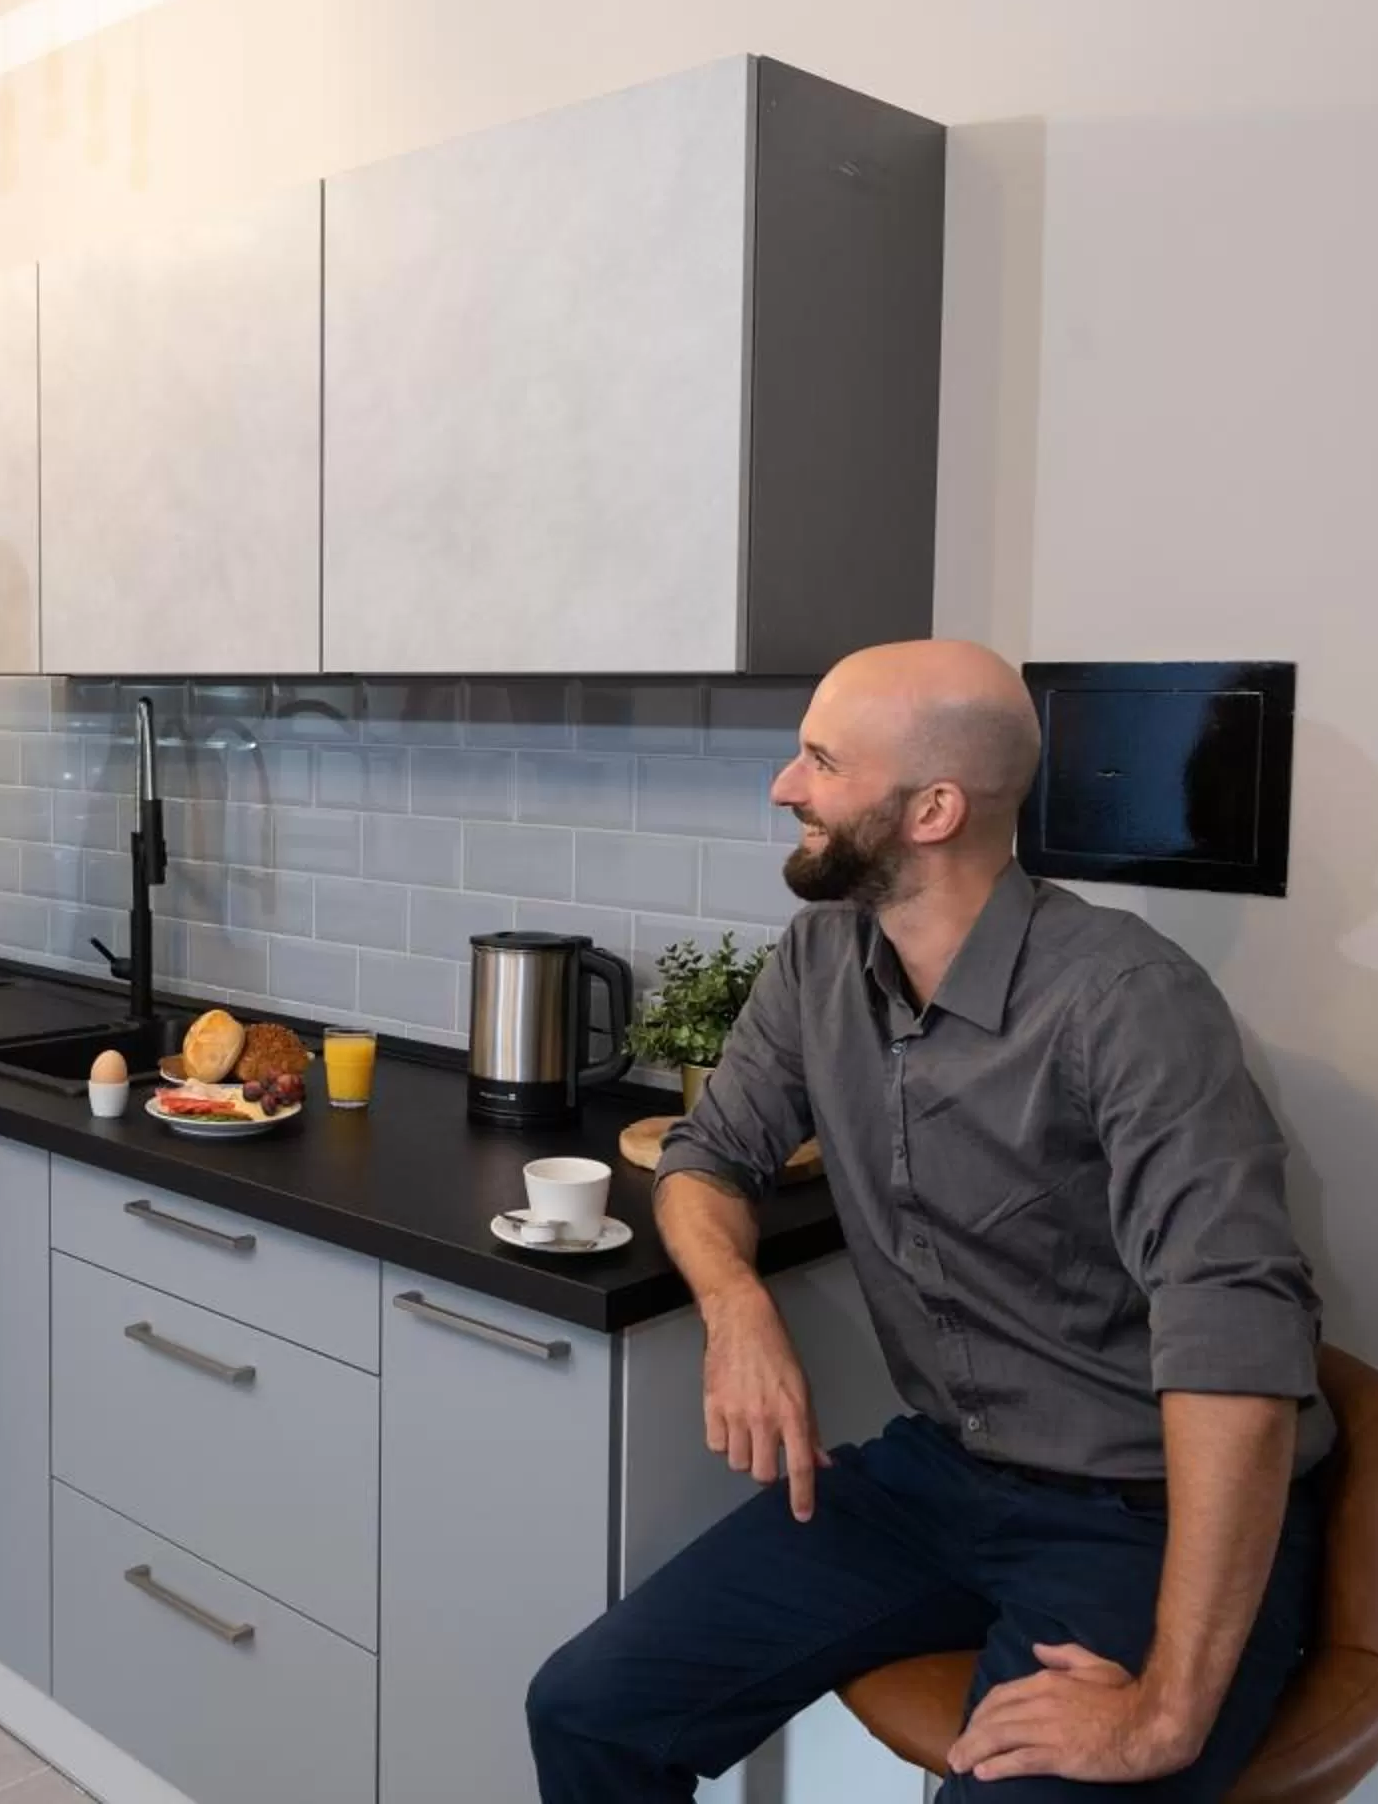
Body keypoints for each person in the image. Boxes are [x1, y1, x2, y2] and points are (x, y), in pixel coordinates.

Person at [528, 640, 1331, 1803]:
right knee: (590, 1709)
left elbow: (1240, 1350)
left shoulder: (1129, 1004)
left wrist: (1162, 1714)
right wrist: (737, 1307)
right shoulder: (823, 956)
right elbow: (705, 1158)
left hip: (1139, 1515)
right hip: (940, 1479)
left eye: (819, 760)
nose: (783, 786)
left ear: (933, 809)